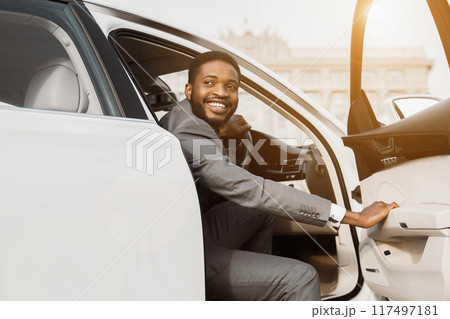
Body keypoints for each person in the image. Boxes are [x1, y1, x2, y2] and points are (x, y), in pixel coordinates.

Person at [160, 51, 399, 301]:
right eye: (209, 83)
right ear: (188, 90)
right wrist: (353, 216)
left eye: (230, 86)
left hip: (189, 229)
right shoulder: (188, 132)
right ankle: (274, 290)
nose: (221, 92)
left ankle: (260, 294)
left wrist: (219, 129)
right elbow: (251, 189)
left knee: (260, 210)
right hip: (181, 252)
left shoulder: (185, 117)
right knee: (300, 278)